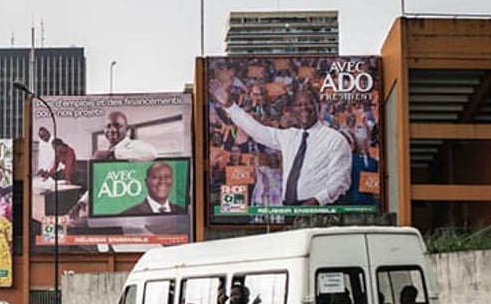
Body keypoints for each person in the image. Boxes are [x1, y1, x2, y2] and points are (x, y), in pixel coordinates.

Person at [211, 82, 351, 207]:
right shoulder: (290, 136)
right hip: (288, 209)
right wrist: (230, 106)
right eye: (299, 105)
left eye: (308, 103)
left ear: (318, 106)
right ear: (294, 109)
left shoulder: (335, 140)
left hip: (318, 209)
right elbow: (258, 131)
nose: (303, 108)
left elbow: (340, 180)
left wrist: (317, 201)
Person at [121, 161, 187, 215]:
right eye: (155, 177)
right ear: (146, 182)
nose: (162, 181)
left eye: (167, 177)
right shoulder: (129, 214)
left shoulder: (182, 212)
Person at [347, 135, 379, 207]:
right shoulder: (351, 159)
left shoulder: (373, 162)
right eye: (360, 143)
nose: (363, 145)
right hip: (354, 199)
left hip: (369, 200)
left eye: (365, 143)